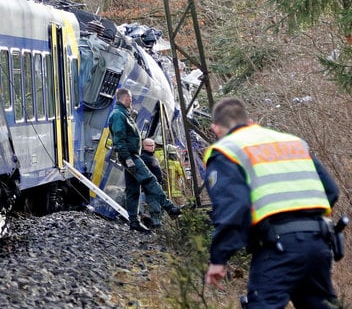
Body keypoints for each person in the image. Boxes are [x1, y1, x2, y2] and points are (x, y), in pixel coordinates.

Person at [203, 97, 340, 308]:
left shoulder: (227, 150)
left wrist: (219, 258)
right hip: (319, 243)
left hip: (277, 247)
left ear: (215, 128)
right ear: (250, 121)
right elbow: (331, 191)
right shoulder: (291, 142)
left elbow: (234, 208)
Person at [108, 88, 181, 233]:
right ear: (126, 98)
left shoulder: (123, 114)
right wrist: (128, 158)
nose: (132, 101)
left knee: (133, 189)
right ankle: (169, 207)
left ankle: (134, 222)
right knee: (150, 180)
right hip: (130, 156)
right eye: (131, 98)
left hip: (130, 155)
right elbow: (119, 139)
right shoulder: (118, 115)